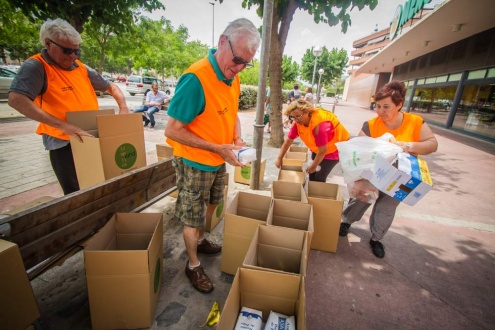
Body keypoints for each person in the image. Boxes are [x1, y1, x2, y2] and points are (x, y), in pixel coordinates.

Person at [164, 18, 260, 293]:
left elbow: (233, 116)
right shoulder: (196, 78)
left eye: (246, 62)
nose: (239, 67)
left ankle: (202, 240)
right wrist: (217, 148)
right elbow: (171, 130)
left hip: (218, 160)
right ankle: (192, 265)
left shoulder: (234, 77)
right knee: (192, 218)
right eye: (238, 59)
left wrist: (237, 139)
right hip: (194, 162)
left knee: (210, 207)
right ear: (222, 42)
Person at [8, 18, 129, 195]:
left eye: (76, 51)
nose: (73, 55)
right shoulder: (36, 66)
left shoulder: (80, 67)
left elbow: (112, 87)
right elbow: (16, 99)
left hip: (90, 136)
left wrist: (123, 107)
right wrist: (64, 126)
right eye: (67, 50)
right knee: (76, 192)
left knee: (98, 185)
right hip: (63, 142)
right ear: (49, 44)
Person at [339, 81, 438, 258]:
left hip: (401, 176)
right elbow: (358, 151)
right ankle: (346, 222)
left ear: (399, 105)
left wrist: (406, 145)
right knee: (361, 199)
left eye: (386, 106)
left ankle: (376, 238)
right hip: (374, 173)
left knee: (386, 208)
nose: (381, 111)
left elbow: (432, 144)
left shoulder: (415, 122)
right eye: (377, 106)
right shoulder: (370, 124)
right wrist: (358, 179)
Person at [275, 99, 350, 182]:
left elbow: (323, 150)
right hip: (318, 148)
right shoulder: (297, 123)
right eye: (293, 117)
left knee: (319, 177)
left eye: (298, 116)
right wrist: (279, 158)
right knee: (311, 173)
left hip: (334, 150)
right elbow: (288, 141)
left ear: (307, 112)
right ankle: (311, 192)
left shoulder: (319, 125)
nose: (296, 119)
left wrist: (314, 166)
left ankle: (318, 193)